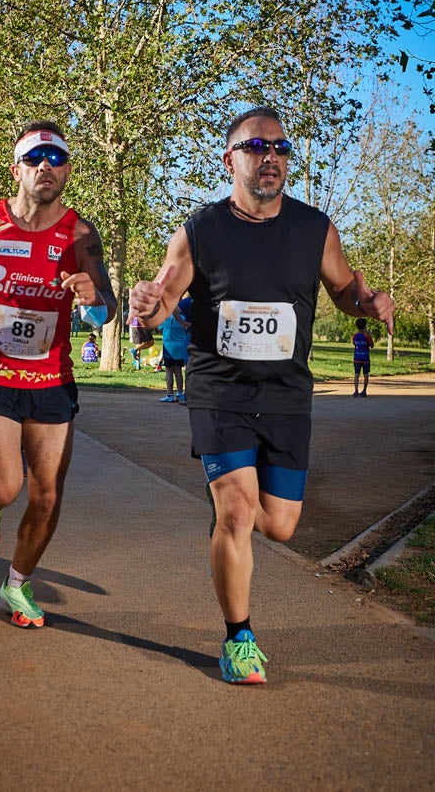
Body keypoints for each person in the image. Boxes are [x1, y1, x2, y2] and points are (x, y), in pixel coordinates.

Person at [128, 105, 394, 684]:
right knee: (237, 510)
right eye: (255, 146)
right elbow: (165, 299)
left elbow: (344, 289)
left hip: (286, 394)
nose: (269, 156)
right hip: (220, 390)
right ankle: (238, 639)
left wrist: (368, 304)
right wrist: (146, 310)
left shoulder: (314, 228)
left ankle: (230, 524)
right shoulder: (199, 230)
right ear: (230, 159)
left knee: (278, 525)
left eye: (279, 147)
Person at [0, 120, 116, 628]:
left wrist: (94, 299)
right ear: (16, 169)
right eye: (35, 158)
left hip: (51, 379)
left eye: (56, 159)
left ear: (67, 171)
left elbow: (106, 308)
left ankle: (15, 586)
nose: (45, 167)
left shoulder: (80, 234)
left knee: (47, 495)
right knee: (3, 488)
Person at [157, 307, 189, 403]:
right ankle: (180, 393)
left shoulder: (166, 317)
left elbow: (159, 329)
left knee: (169, 371)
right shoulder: (183, 317)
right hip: (180, 346)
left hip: (168, 345)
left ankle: (170, 394)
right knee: (178, 371)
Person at [352, 317, 374, 397]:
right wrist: (369, 335)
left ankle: (356, 391)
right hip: (365, 358)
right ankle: (364, 391)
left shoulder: (355, 336)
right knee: (366, 374)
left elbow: (354, 343)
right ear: (365, 326)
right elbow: (372, 345)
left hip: (357, 357)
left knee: (356, 374)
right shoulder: (367, 336)